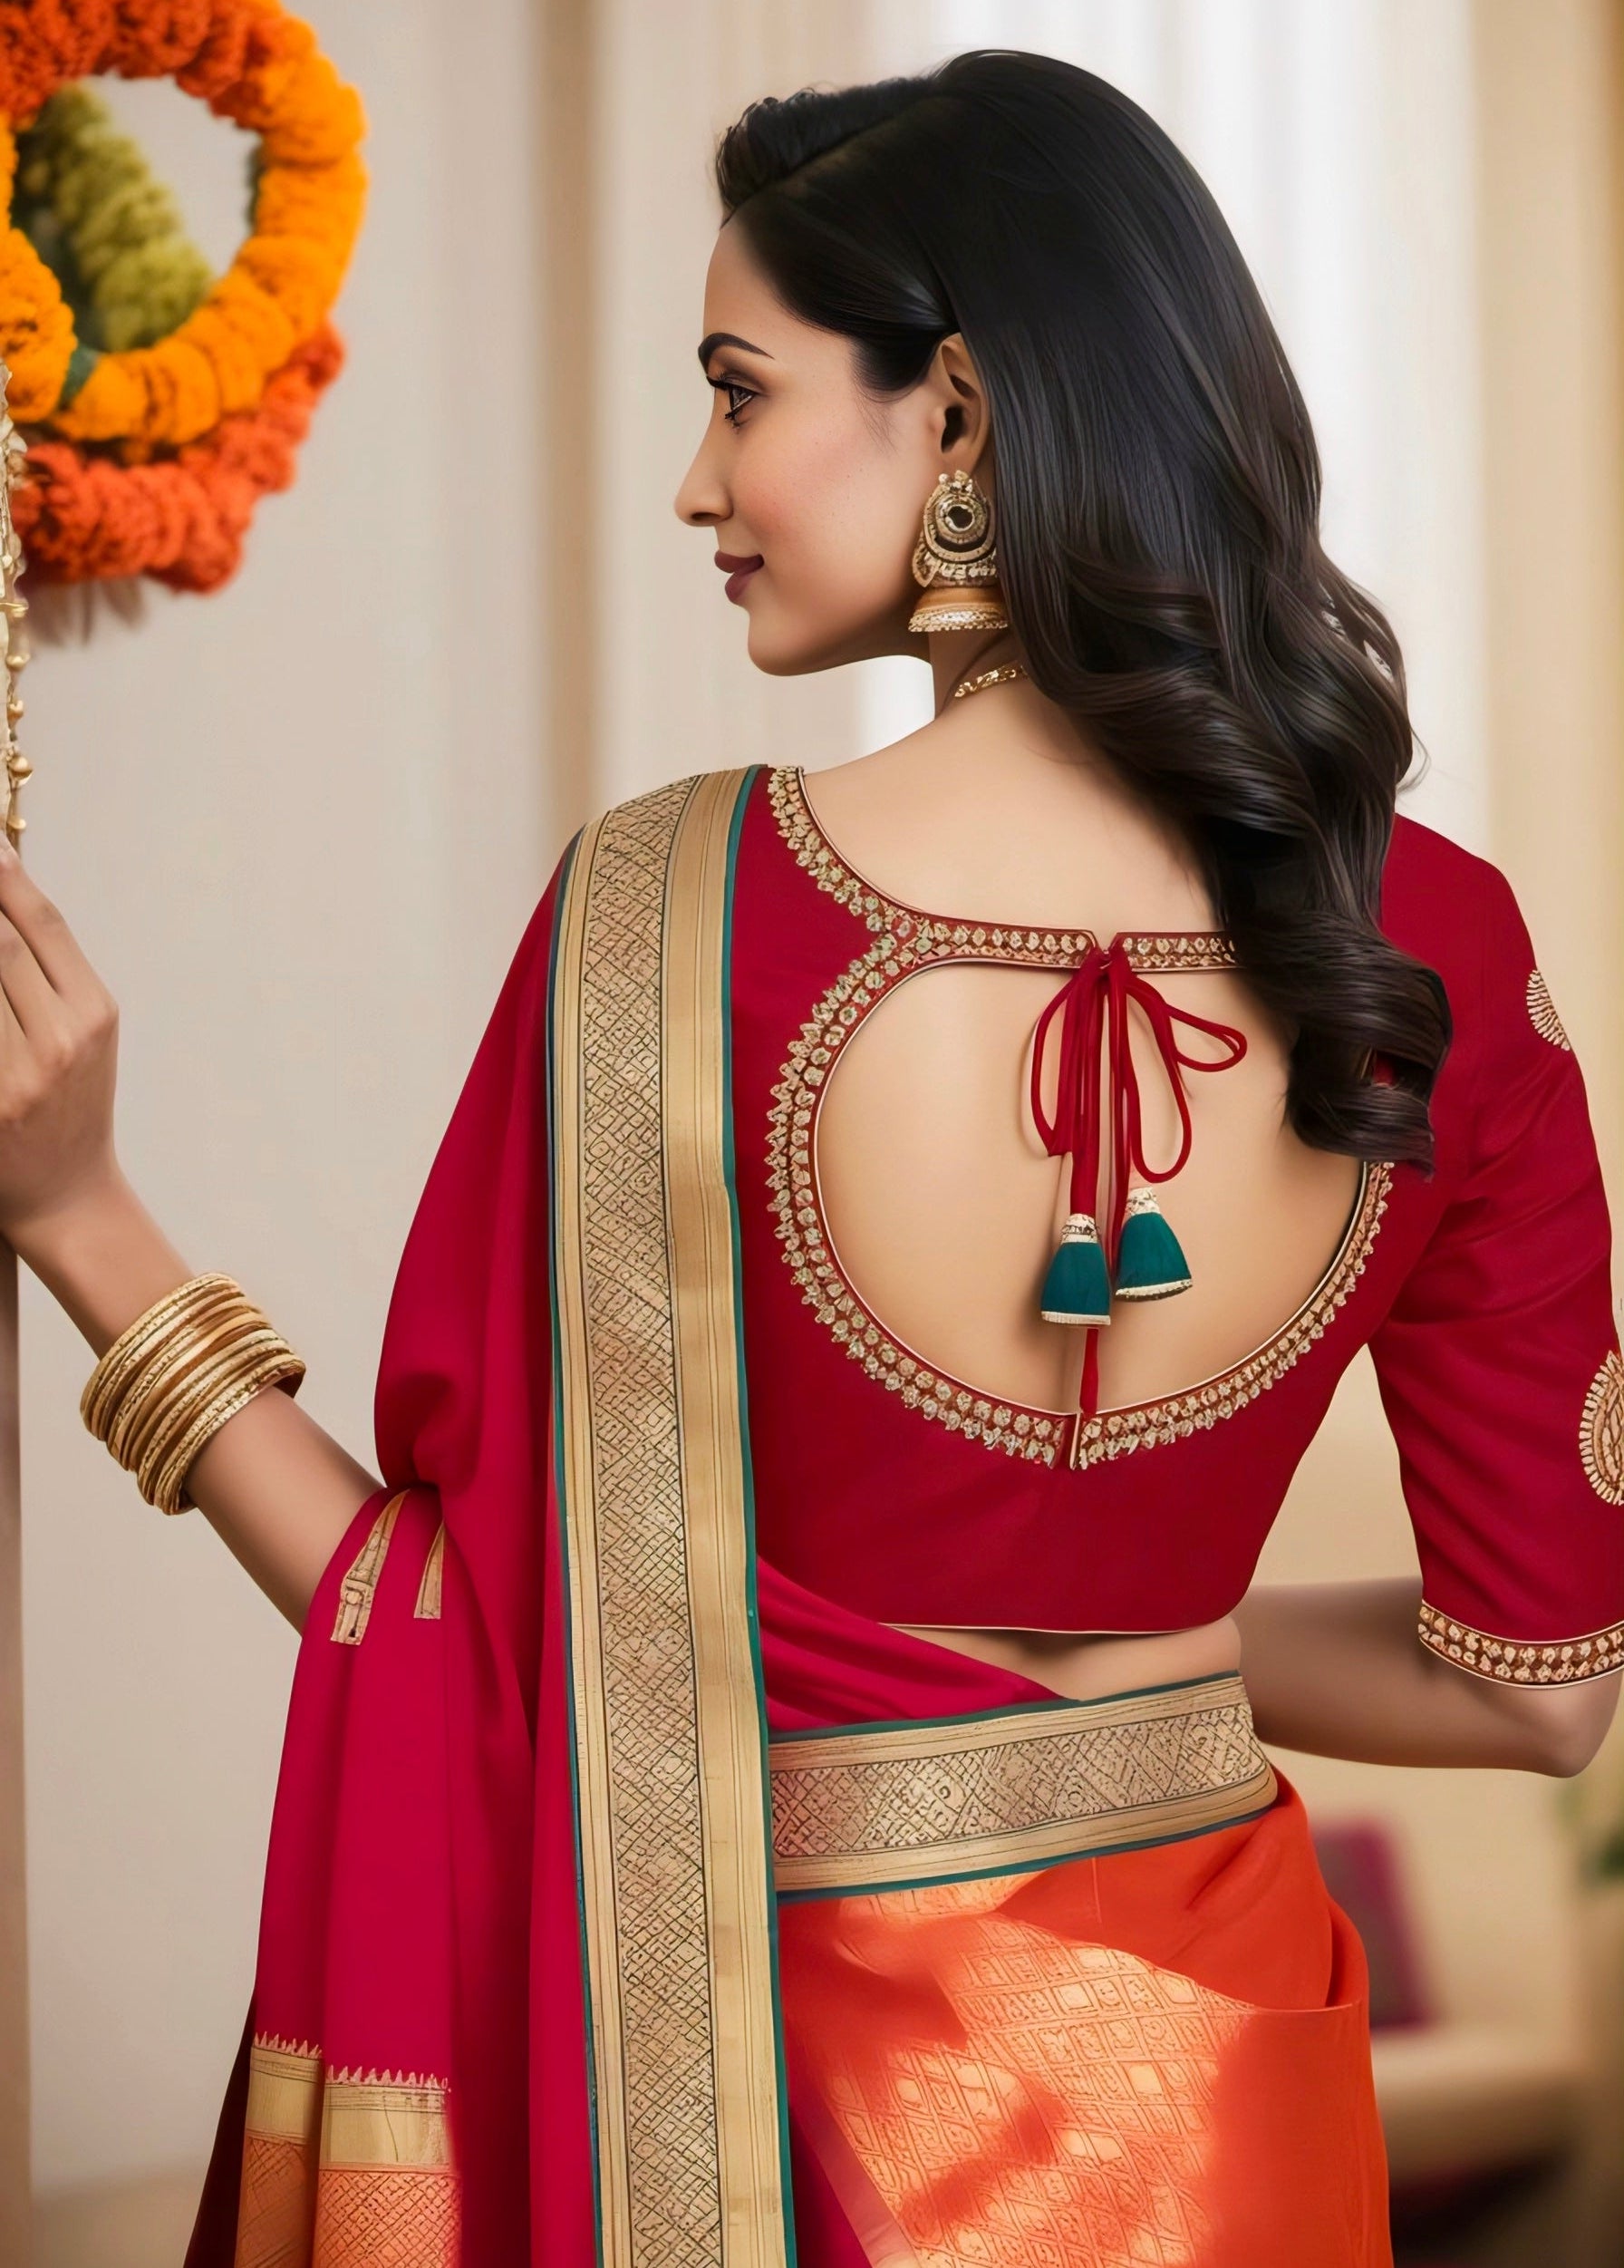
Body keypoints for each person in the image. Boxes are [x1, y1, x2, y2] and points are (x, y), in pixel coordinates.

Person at [0, 48, 1619, 2268]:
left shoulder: (668, 916)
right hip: (1220, 2116)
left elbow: (465, 1652)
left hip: (770, 2094)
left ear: (951, 414)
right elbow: (1538, 1698)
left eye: (737, 390)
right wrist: (1111, 1657)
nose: (697, 481)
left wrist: (85, 1226)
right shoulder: (1436, 944)